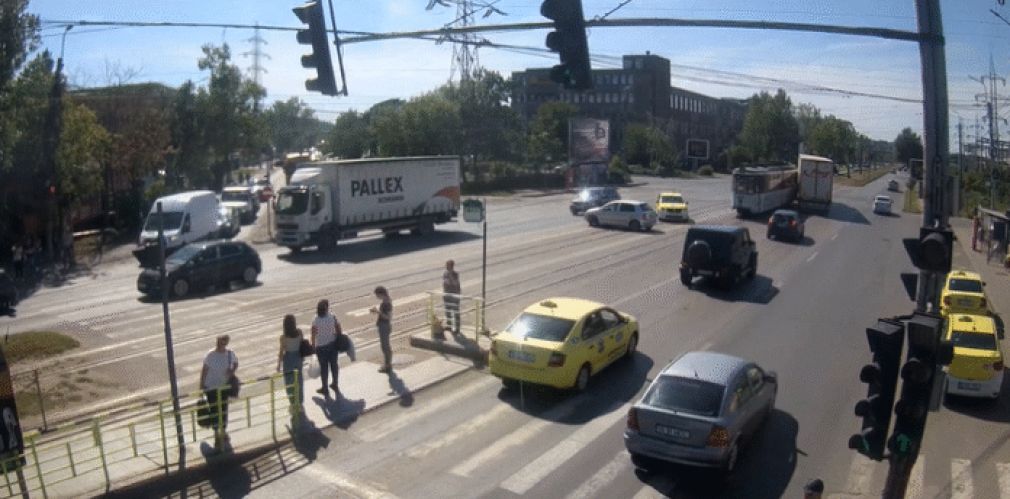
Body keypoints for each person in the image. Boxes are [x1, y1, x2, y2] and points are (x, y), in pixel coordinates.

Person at [200, 335, 238, 450]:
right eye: (219, 342)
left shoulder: (230, 354)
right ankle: (217, 434)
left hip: (223, 387)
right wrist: (201, 386)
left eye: (223, 342)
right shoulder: (210, 355)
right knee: (215, 410)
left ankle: (223, 432)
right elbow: (204, 370)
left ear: (226, 343)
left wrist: (231, 371)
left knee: (223, 409)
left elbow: (236, 363)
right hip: (211, 388)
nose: (221, 344)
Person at [311, 299, 341, 399]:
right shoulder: (333, 316)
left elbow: (313, 333)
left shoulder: (315, 319)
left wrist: (313, 346)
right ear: (327, 308)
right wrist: (337, 337)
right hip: (332, 344)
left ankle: (325, 387)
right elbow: (338, 328)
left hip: (321, 347)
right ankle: (335, 383)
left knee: (324, 368)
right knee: (334, 365)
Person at [277, 314, 305, 416]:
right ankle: (300, 404)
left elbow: (281, 352)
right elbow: (302, 344)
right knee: (299, 381)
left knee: (289, 383)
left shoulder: (283, 337)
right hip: (298, 358)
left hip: (288, 360)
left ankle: (293, 404)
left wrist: (278, 365)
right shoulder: (299, 332)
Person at [370, 286, 393, 373]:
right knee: (385, 346)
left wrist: (378, 312)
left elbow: (388, 317)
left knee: (385, 346)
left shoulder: (386, 303)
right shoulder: (386, 301)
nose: (377, 297)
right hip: (383, 325)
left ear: (381, 294)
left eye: (377, 295)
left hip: (384, 326)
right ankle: (387, 364)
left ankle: (387, 366)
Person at [442, 259, 461, 336]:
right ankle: (449, 325)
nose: (446, 267)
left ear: (452, 266)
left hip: (455, 295)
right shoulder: (445, 273)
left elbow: (455, 283)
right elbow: (444, 283)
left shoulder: (455, 274)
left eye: (448, 265)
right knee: (448, 311)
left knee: (455, 312)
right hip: (447, 294)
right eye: (446, 265)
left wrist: (450, 275)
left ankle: (457, 328)